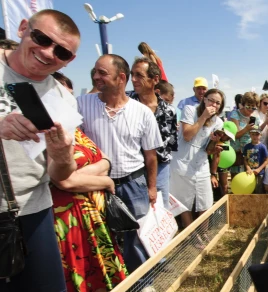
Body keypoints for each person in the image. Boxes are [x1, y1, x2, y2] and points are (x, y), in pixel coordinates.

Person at [0, 9, 81, 292]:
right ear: (22, 30)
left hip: (32, 207)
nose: (49, 54)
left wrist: (63, 154)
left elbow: (61, 173)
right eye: (42, 39)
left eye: (63, 53)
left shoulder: (62, 98)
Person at [78, 54, 162, 275]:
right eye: (95, 72)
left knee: (136, 237)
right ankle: (107, 286)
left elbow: (150, 155)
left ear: (121, 78)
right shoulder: (81, 105)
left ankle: (142, 282)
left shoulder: (142, 113)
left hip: (133, 184)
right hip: (95, 186)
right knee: (99, 237)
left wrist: (151, 188)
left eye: (102, 73)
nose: (96, 77)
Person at [51, 128, 129, 292]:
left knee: (97, 265)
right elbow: (63, 182)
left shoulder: (75, 130)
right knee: (73, 271)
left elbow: (105, 160)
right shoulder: (47, 134)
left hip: (90, 210)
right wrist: (103, 180)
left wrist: (88, 176)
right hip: (63, 216)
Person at [170, 89, 226, 228]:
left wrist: (214, 142)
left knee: (206, 200)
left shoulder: (218, 121)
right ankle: (191, 233)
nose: (214, 104)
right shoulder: (190, 110)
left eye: (218, 103)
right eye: (211, 100)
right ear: (204, 99)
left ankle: (203, 232)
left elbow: (207, 150)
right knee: (185, 201)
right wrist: (203, 117)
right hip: (182, 160)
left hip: (201, 162)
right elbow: (187, 135)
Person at [128, 57, 178, 209]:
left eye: (139, 75)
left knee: (160, 211)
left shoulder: (169, 111)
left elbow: (170, 146)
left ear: (155, 79)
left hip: (160, 169)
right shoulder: (125, 103)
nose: (133, 79)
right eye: (132, 74)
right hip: (131, 170)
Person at [229, 92, 261, 177]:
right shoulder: (235, 114)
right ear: (243, 104)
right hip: (238, 152)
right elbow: (235, 135)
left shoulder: (256, 118)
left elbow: (257, 135)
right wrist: (247, 129)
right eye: (248, 106)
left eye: (253, 107)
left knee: (249, 176)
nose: (250, 109)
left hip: (250, 152)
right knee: (236, 177)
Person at [243, 125, 268, 194]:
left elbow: (266, 160)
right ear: (250, 135)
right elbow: (245, 159)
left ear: (260, 135)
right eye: (253, 134)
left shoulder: (262, 147)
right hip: (249, 172)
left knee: (259, 190)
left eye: (257, 134)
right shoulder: (247, 146)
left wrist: (259, 169)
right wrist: (248, 168)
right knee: (250, 190)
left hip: (259, 173)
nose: (255, 136)